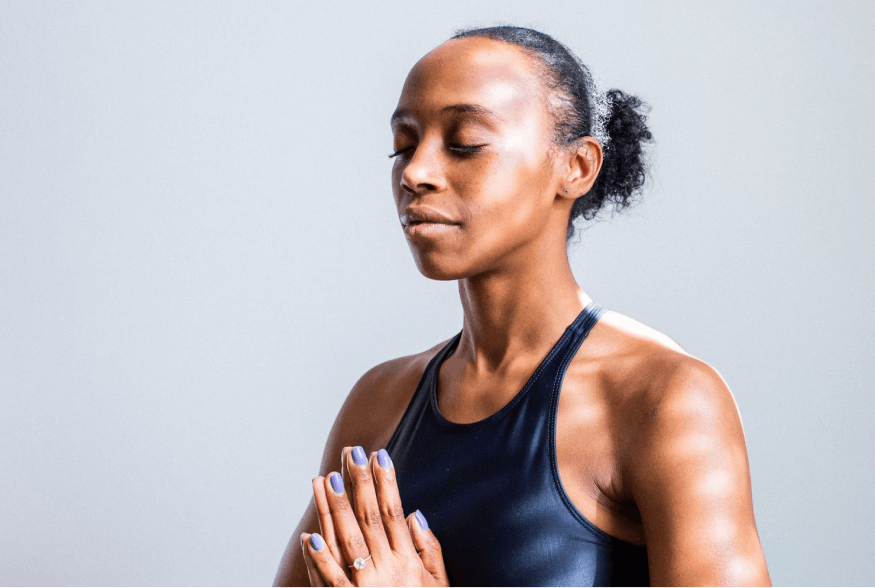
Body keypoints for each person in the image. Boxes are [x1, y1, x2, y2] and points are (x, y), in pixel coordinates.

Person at [274, 26, 771, 587]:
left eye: (464, 142)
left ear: (576, 167)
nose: (416, 173)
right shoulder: (378, 403)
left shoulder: (663, 400)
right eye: (404, 145)